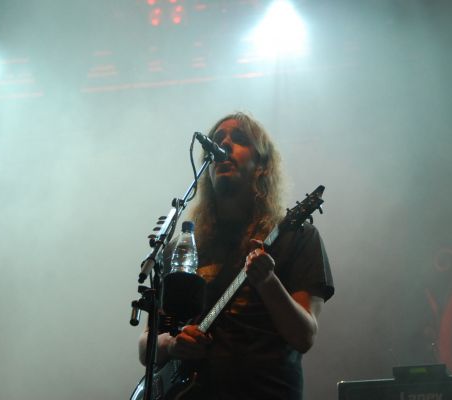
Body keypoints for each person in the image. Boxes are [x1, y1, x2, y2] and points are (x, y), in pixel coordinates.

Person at [138, 112, 334, 399]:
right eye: (218, 140)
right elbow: (147, 346)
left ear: (262, 166)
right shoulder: (184, 247)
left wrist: (267, 281)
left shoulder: (296, 237)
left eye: (239, 139)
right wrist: (172, 344)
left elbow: (304, 336)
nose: (225, 145)